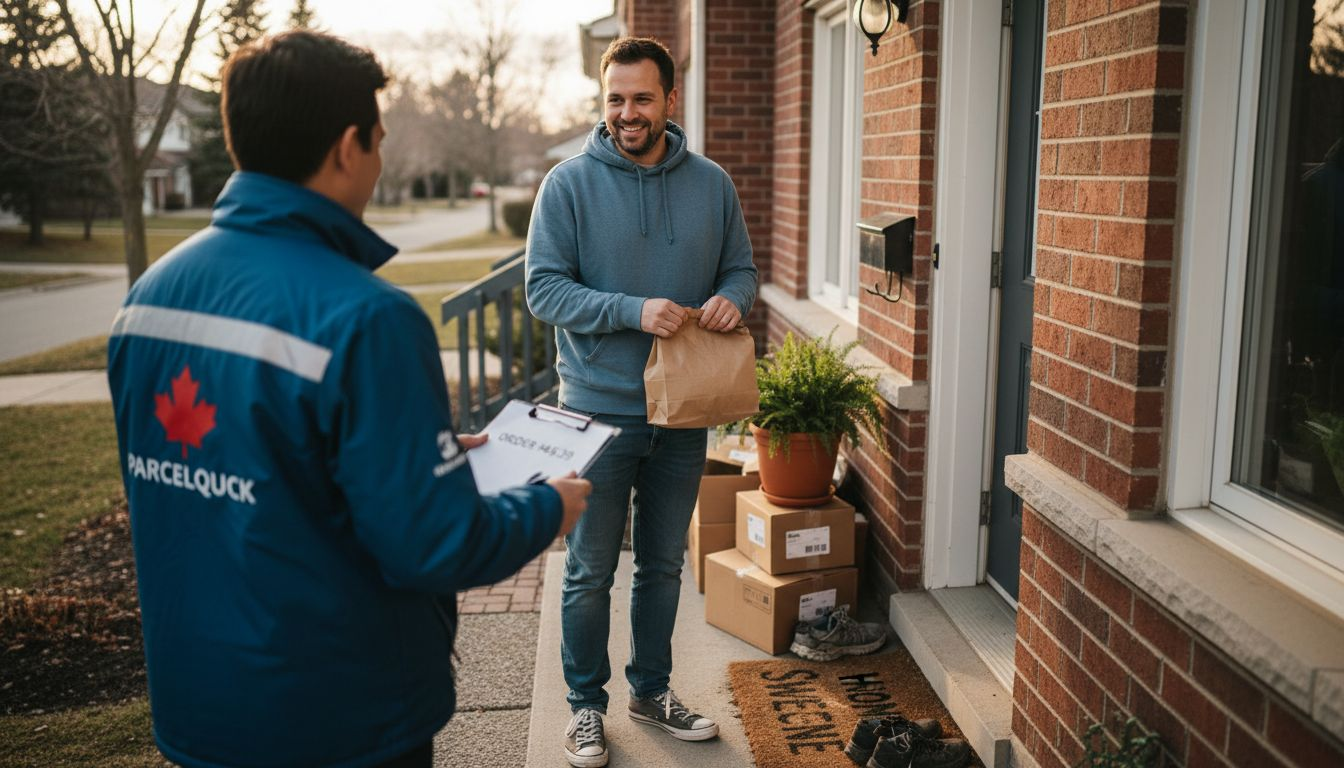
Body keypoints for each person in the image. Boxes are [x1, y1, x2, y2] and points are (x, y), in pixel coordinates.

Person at [106, 31, 590, 768]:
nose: (382, 158)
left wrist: (394, 455)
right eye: (379, 140)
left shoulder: (148, 300)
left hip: (198, 703)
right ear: (345, 148)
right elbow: (436, 544)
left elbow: (252, 466)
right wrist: (551, 505)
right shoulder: (367, 318)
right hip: (338, 716)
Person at [525, 35, 758, 768]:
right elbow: (542, 288)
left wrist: (728, 299)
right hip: (596, 411)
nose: (627, 113)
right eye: (615, 100)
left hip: (683, 412)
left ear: (669, 99)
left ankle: (651, 693)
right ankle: (585, 709)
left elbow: (743, 269)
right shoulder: (567, 185)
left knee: (662, 566)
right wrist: (631, 309)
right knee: (591, 569)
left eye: (641, 98)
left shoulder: (712, 184)